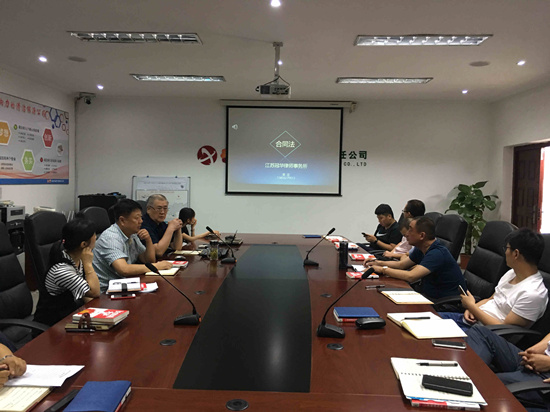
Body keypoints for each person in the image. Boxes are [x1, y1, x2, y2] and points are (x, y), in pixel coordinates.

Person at [440, 228, 548, 331]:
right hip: (472, 321)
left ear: (516, 254)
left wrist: (472, 307)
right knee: (430, 319)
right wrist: (472, 309)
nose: (505, 253)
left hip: (482, 334)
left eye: (506, 248)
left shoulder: (533, 294)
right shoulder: (512, 273)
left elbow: (504, 330)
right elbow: (491, 299)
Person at [366, 216, 466, 300]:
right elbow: (401, 265)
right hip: (428, 295)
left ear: (422, 235)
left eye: (410, 230)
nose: (406, 234)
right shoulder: (421, 248)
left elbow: (411, 276)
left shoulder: (437, 253)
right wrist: (378, 263)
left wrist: (383, 270)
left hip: (445, 303)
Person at [34, 214, 101, 326]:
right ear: (84, 244)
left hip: (68, 318)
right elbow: (94, 292)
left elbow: (86, 294)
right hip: (52, 328)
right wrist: (88, 264)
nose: (96, 237)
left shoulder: (76, 258)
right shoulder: (62, 270)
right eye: (94, 235)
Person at [93, 199, 172, 291]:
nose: (141, 221)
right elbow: (123, 270)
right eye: (137, 218)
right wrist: (157, 267)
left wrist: (148, 240)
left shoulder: (132, 234)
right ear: (122, 220)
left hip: (124, 284)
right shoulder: (111, 238)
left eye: (141, 217)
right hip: (105, 291)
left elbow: (148, 260)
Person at [467, 324, 550, 411]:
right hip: (540, 357)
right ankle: (465, 380)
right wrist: (533, 351)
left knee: (485, 383)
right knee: (479, 332)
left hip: (545, 378)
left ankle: (468, 385)